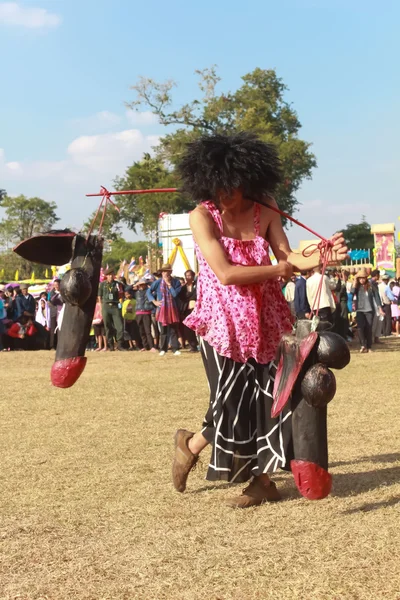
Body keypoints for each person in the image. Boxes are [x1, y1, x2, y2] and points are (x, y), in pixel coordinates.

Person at [171, 132, 347, 508]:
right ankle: (190, 445)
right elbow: (226, 273)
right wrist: (277, 268)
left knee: (272, 398)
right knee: (230, 400)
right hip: (223, 324)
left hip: (268, 320)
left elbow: (289, 256)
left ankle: (262, 481)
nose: (224, 195)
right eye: (217, 186)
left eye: (232, 187)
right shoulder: (201, 216)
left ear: (248, 181)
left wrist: (319, 254)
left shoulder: (265, 207)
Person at [147, 263, 182, 356]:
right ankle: (163, 349)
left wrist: (169, 285)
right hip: (162, 308)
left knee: (173, 330)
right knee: (163, 330)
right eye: (163, 271)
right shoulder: (158, 282)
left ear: (170, 272)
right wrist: (154, 301)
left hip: (172, 309)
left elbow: (174, 295)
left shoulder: (176, 282)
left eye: (167, 271)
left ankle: (175, 348)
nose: (165, 273)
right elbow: (148, 291)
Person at [351, 268, 383, 353]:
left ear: (366, 278)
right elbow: (352, 292)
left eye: (363, 278)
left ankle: (369, 346)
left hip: (369, 310)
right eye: (360, 278)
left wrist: (380, 308)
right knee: (360, 328)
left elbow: (377, 297)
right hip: (360, 310)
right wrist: (354, 280)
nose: (362, 280)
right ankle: (363, 345)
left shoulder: (371, 286)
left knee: (368, 328)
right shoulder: (357, 286)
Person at [97, 268, 126, 351]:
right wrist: (100, 306)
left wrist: (121, 305)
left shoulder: (117, 284)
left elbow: (121, 295)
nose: (110, 276)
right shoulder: (102, 284)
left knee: (119, 326)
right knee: (108, 326)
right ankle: (111, 345)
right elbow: (99, 296)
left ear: (114, 275)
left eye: (112, 275)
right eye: (109, 275)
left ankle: (120, 344)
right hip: (106, 306)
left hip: (115, 305)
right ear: (106, 276)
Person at [179, 269, 199, 352]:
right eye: (186, 276)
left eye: (190, 275)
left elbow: (197, 295)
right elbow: (181, 298)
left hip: (196, 309)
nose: (188, 277)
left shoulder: (197, 285)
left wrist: (193, 300)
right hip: (186, 310)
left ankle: (199, 344)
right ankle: (192, 345)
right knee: (188, 329)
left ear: (193, 276)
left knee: (197, 328)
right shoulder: (183, 288)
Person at [135, 279, 157, 352]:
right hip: (138, 313)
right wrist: (136, 284)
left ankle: (152, 346)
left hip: (146, 312)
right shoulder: (136, 292)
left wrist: (148, 283)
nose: (141, 286)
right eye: (140, 285)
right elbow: (127, 288)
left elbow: (155, 289)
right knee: (141, 331)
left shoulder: (149, 292)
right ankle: (145, 346)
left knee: (148, 331)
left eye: (142, 284)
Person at [48, 279, 64, 349]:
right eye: (54, 285)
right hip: (54, 312)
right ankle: (52, 345)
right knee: (53, 328)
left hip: (62, 312)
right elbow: (51, 302)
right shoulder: (52, 293)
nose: (56, 286)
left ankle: (60, 344)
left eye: (57, 284)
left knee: (60, 329)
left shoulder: (63, 292)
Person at [334, 270, 350, 340]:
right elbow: (340, 291)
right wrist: (342, 279)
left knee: (344, 320)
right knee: (343, 320)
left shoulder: (339, 282)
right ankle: (343, 336)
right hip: (341, 303)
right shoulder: (337, 282)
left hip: (341, 303)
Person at [370, 269, 383, 343]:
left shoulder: (374, 283)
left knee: (379, 319)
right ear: (376, 275)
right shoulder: (370, 283)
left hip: (377, 304)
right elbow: (375, 296)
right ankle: (371, 338)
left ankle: (376, 337)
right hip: (373, 304)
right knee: (374, 321)